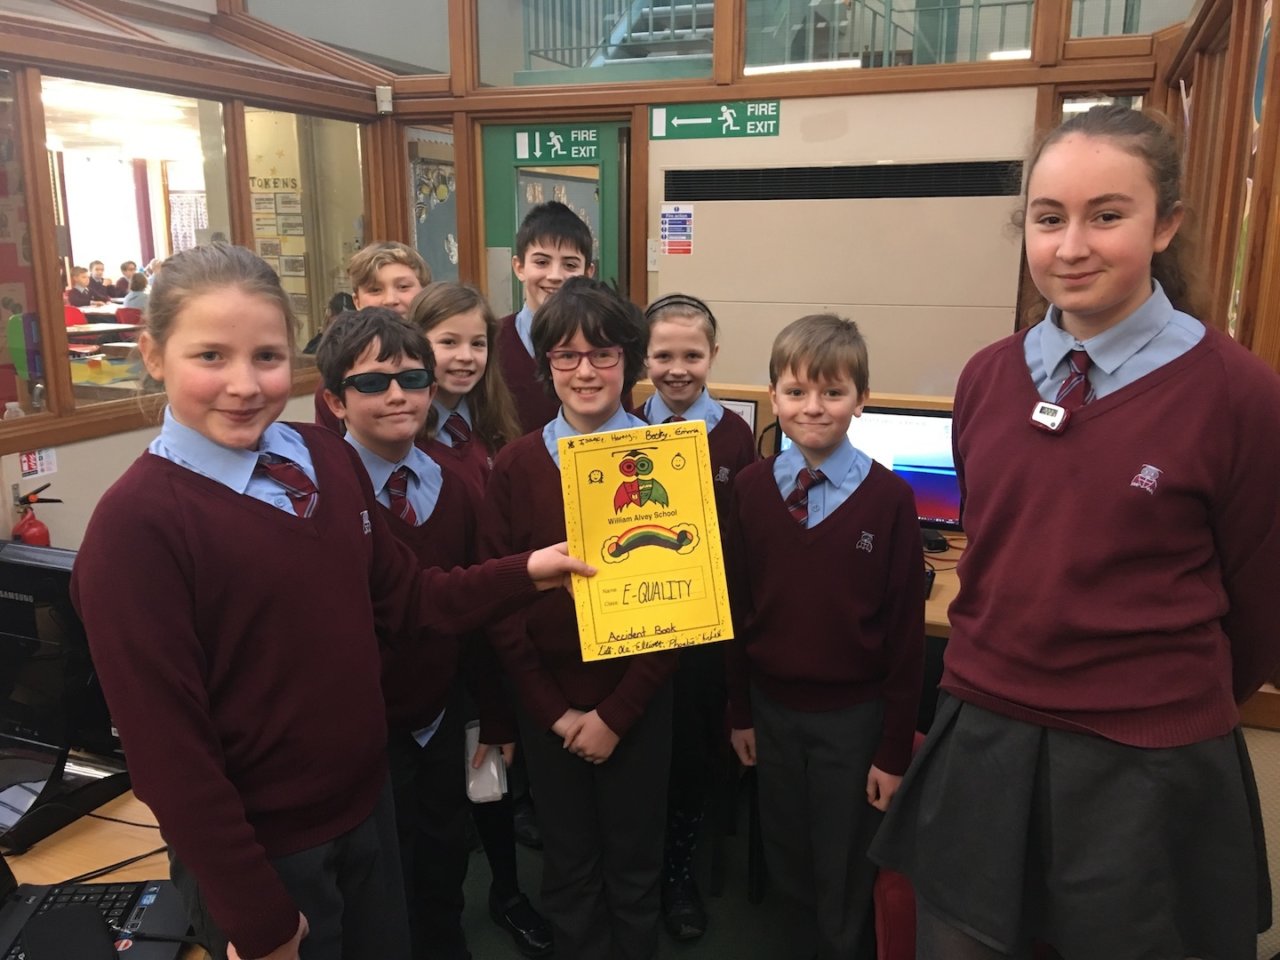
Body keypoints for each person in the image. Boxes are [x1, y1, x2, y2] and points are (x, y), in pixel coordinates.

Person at [70, 242, 593, 960]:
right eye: (210, 357)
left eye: (267, 357)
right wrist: (257, 917)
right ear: (154, 356)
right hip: (267, 850)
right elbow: (171, 758)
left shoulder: (322, 459)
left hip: (364, 803)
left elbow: (413, 600)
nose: (244, 385)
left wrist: (527, 571)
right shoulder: (138, 527)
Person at [870, 104, 1280, 959]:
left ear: (1166, 223)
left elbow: (1257, 607)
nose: (1070, 246)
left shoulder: (1239, 395)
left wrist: (1158, 703)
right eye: (1049, 219)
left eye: (1107, 215)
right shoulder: (988, 377)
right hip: (983, 734)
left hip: (1147, 765)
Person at [481, 276, 677, 960]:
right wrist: (556, 714)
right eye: (566, 356)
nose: (585, 370)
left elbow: (681, 608)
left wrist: (618, 714)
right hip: (551, 705)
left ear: (629, 359)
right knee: (568, 866)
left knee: (633, 864)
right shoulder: (513, 466)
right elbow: (499, 605)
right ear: (545, 367)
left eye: (602, 353)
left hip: (639, 700)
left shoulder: (666, 459)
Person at [725, 313, 925, 960]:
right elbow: (737, 609)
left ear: (860, 400)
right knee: (788, 854)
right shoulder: (751, 491)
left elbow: (904, 637)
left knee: (844, 864)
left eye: (833, 393)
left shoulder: (890, 499)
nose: (813, 408)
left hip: (853, 721)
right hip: (772, 712)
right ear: (774, 396)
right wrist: (740, 714)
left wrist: (893, 752)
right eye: (796, 392)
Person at [316, 306, 513, 960]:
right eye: (371, 383)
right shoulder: (320, 497)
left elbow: (478, 609)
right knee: (376, 880)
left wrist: (492, 715)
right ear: (334, 402)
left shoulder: (457, 487)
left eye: (412, 378)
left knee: (443, 857)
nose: (397, 395)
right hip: (364, 729)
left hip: (442, 709)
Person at [634, 292, 756, 941]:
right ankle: (637, 871)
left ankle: (678, 874)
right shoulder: (621, 428)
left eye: (692, 354)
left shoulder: (736, 437)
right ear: (644, 358)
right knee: (638, 752)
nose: (677, 368)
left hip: (707, 634)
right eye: (663, 355)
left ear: (712, 355)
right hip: (636, 625)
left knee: (688, 758)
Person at [409, 282, 520, 496]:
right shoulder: (405, 434)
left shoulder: (495, 424)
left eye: (478, 344)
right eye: (449, 342)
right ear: (417, 344)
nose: (466, 357)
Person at [498, 201, 598, 433]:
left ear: (588, 273)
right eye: (541, 262)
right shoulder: (491, 341)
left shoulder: (605, 344)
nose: (555, 276)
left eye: (570, 264)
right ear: (519, 267)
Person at [316, 242, 431, 432]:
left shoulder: (452, 360)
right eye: (375, 290)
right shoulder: (341, 371)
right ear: (357, 301)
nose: (390, 300)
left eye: (403, 287)